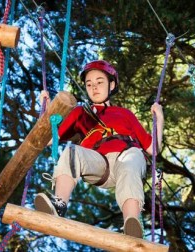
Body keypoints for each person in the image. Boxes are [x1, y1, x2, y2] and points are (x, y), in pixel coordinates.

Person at [35, 60, 164, 238]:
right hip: (98, 162)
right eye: (89, 84)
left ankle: (131, 223)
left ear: (111, 85)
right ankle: (58, 204)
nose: (94, 87)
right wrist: (46, 112)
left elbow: (153, 149)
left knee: (133, 157)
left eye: (99, 82)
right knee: (72, 151)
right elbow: (48, 140)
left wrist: (160, 118)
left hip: (126, 158)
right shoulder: (80, 113)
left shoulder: (124, 114)